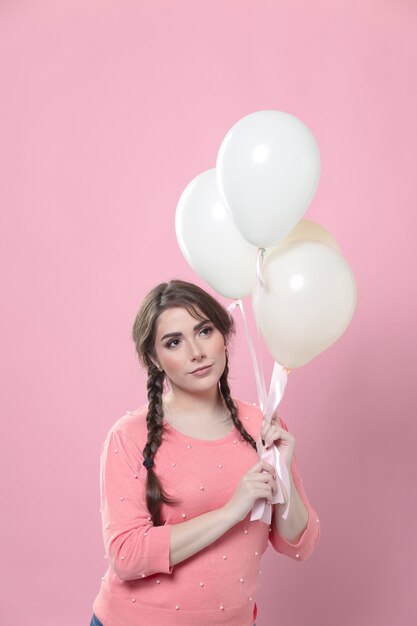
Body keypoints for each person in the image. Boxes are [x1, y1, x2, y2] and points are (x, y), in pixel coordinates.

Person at [90, 279, 320, 626]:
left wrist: (284, 477)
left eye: (205, 331)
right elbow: (126, 554)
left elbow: (298, 545)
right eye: (174, 342)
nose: (196, 352)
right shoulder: (128, 436)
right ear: (155, 358)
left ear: (224, 337)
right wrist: (232, 511)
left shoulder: (264, 424)